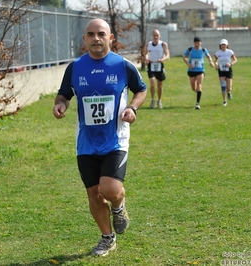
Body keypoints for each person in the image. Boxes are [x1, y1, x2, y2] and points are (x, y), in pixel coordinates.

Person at [52, 19, 147, 257]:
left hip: (116, 139)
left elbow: (141, 90)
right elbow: (63, 95)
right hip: (86, 143)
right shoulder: (75, 68)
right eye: (91, 34)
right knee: (93, 193)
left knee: (110, 189)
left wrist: (132, 108)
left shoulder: (123, 66)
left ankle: (119, 206)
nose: (96, 38)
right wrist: (60, 106)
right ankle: (107, 238)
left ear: (110, 37)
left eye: (101, 34)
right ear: (84, 39)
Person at [183, 37, 214, 109]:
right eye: (196, 43)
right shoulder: (190, 49)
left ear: (201, 43)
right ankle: (197, 91)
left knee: (199, 84)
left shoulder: (203, 50)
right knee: (193, 88)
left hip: (200, 70)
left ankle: (197, 103)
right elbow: (184, 57)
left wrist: (211, 61)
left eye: (198, 43)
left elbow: (208, 55)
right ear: (193, 43)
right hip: (192, 70)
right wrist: (188, 64)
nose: (197, 44)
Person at [144, 29, 170, 109]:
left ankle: (159, 100)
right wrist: (146, 59)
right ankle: (152, 100)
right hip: (151, 65)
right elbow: (146, 53)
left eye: (157, 35)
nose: (155, 37)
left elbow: (167, 55)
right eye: (154, 35)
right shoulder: (148, 44)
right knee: (152, 83)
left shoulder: (163, 44)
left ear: (159, 36)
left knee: (159, 84)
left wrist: (163, 59)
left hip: (159, 65)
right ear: (152, 36)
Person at [214, 39, 238, 106]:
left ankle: (229, 92)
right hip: (221, 70)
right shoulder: (218, 53)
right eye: (222, 44)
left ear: (227, 45)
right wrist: (216, 65)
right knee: (223, 86)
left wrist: (230, 64)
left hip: (228, 70)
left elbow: (235, 60)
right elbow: (215, 61)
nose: (223, 46)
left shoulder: (230, 52)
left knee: (229, 87)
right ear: (220, 45)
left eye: (224, 44)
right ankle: (224, 101)